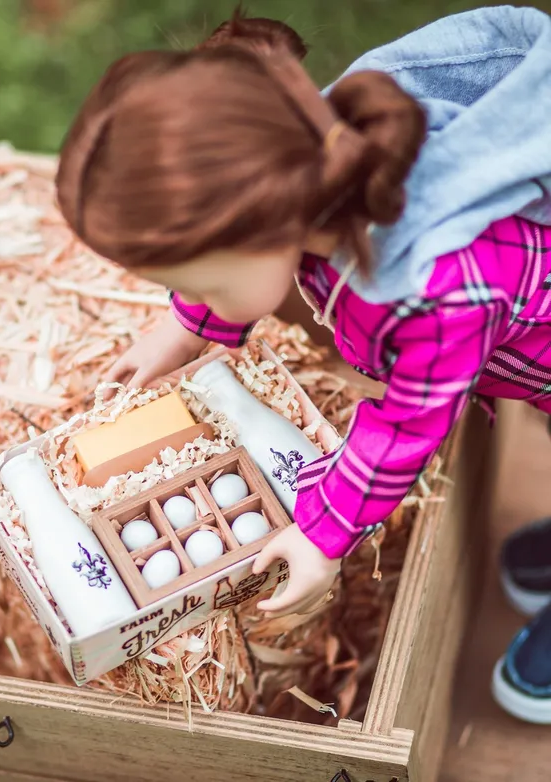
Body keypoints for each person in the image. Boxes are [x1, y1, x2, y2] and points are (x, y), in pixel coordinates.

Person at [56, 6, 551, 723]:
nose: (195, 297)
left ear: (267, 221)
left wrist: (326, 531)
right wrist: (186, 324)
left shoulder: (432, 287)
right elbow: (252, 264)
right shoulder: (306, 159)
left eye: (201, 284)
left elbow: (411, 419)